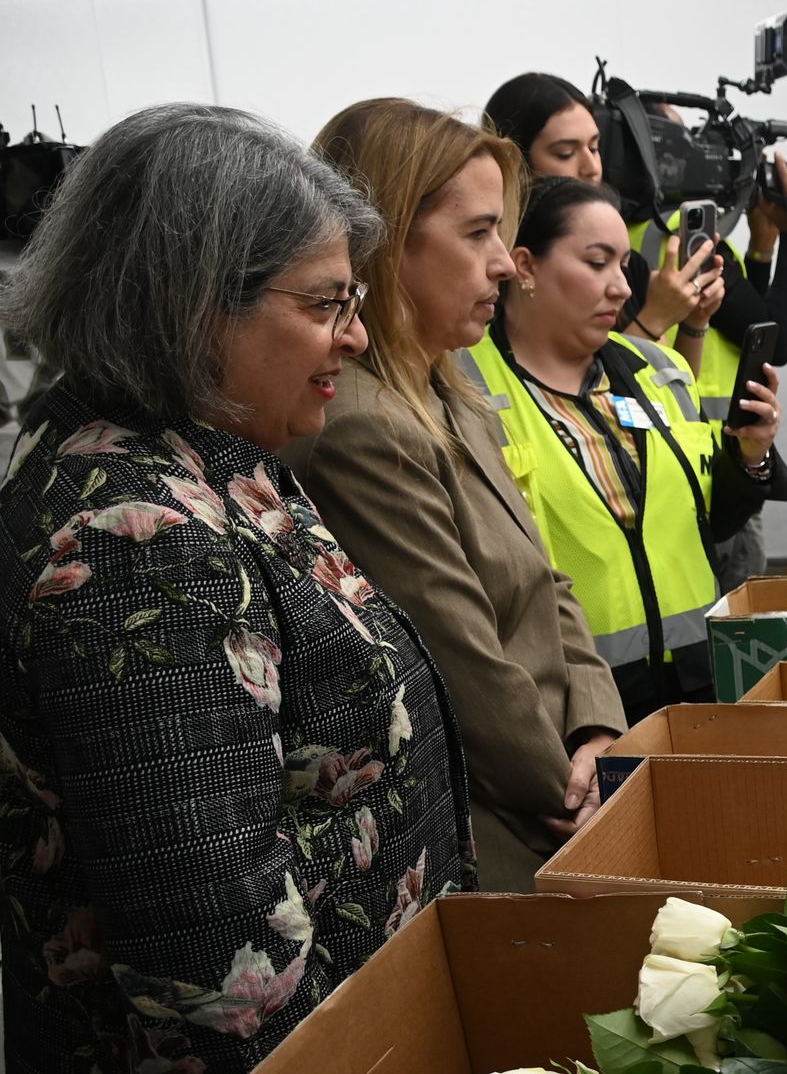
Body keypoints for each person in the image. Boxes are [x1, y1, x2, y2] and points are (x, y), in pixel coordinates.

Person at [0, 104, 473, 1070]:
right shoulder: (136, 538)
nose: (354, 337)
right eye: (324, 303)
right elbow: (220, 975)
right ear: (189, 303)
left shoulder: (193, 452)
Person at [287, 98, 627, 893]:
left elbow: (547, 581)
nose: (506, 264)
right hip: (501, 826)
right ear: (382, 245)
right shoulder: (364, 425)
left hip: (557, 784)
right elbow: (460, 662)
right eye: (477, 235)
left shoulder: (449, 391)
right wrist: (579, 794)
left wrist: (600, 727)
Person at [466, 176, 787, 719]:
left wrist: (750, 455)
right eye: (598, 263)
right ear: (524, 267)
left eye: (623, 265)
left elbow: (707, 522)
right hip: (577, 704)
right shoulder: (468, 391)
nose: (622, 287)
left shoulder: (658, 370)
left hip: (699, 682)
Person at [623, 101, 787, 592]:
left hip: (667, 461)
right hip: (715, 464)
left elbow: (744, 326)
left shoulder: (627, 239)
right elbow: (777, 341)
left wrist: (760, 251)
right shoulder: (691, 246)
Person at [484, 72, 724, 352]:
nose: (592, 167)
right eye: (565, 153)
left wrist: (694, 322)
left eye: (595, 147)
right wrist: (653, 319)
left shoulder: (631, 268)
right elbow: (579, 376)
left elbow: (666, 389)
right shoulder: (492, 271)